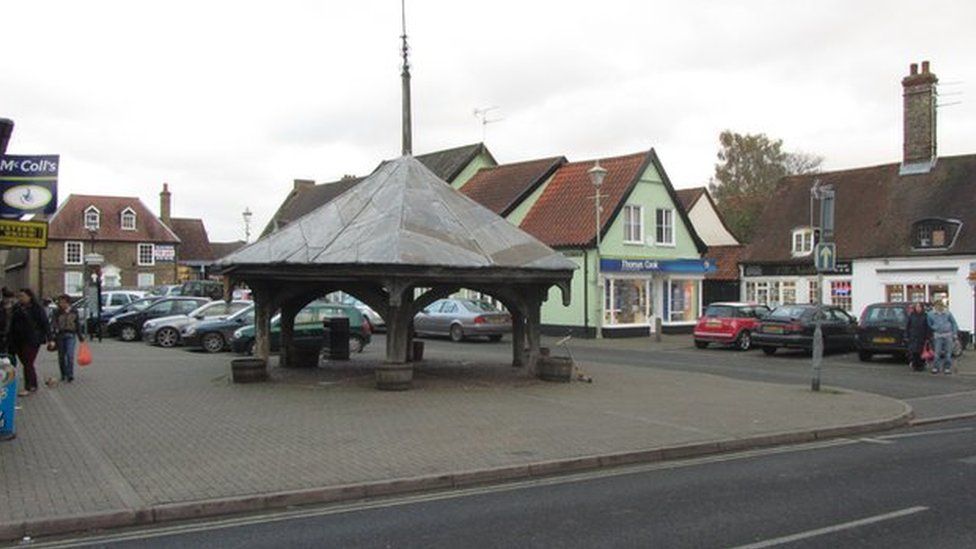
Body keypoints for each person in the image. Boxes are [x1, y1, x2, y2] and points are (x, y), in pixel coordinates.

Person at [11, 288, 51, 395]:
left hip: (33, 339)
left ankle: (29, 386)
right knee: (25, 362)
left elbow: (45, 323)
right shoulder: (17, 308)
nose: (20, 298)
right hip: (19, 339)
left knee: (28, 362)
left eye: (23, 296)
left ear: (29, 296)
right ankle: (33, 383)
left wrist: (50, 339)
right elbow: (12, 323)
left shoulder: (36, 308)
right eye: (19, 296)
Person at [51, 294, 84, 382]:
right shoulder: (56, 311)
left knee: (70, 355)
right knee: (61, 356)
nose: (62, 304)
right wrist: (54, 333)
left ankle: (70, 374)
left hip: (71, 335)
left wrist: (80, 336)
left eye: (64, 302)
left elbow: (77, 323)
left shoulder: (74, 311)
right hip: (60, 336)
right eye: (60, 302)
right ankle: (63, 374)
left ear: (68, 303)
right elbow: (53, 323)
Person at [927, 300, 959, 375]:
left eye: (941, 305)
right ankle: (935, 367)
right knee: (937, 353)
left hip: (948, 334)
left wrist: (954, 333)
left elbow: (954, 323)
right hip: (938, 335)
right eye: (938, 306)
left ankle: (947, 368)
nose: (939, 307)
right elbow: (929, 323)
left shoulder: (948, 313)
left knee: (948, 353)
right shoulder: (931, 314)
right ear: (935, 306)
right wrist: (934, 327)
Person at [906, 302, 930, 372]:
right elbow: (908, 326)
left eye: (919, 307)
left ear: (922, 308)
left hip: (922, 336)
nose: (918, 308)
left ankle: (921, 366)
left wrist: (927, 337)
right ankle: (914, 365)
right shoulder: (912, 315)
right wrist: (907, 335)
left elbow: (927, 327)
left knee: (921, 351)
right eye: (916, 307)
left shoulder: (925, 316)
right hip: (913, 336)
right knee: (914, 352)